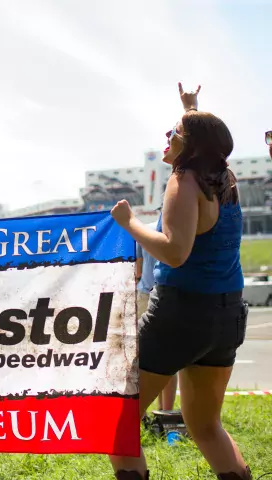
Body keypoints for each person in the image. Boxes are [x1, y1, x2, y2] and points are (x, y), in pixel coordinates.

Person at [110, 83, 251, 480]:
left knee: (118, 422)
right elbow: (209, 141)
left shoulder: (183, 180)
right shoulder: (225, 178)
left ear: (190, 146)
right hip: (226, 316)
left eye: (174, 133)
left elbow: (174, 251)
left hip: (181, 314)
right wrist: (191, 108)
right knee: (206, 426)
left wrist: (130, 223)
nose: (166, 139)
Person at [136, 221, 177, 412]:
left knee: (139, 358)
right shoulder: (180, 228)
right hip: (169, 294)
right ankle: (166, 412)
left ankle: (138, 412)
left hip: (145, 293)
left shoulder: (144, 229)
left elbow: (137, 269)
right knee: (168, 358)